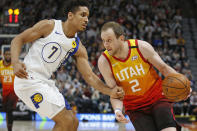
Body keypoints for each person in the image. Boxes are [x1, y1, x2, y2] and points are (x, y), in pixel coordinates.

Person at [10, 1, 124, 131]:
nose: (86, 19)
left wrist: (110, 92)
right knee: (66, 121)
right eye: (82, 15)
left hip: (45, 82)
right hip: (28, 79)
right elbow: (17, 39)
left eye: (88, 16)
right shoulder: (49, 26)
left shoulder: (78, 47)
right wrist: (15, 63)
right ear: (70, 15)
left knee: (73, 123)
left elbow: (90, 77)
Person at [98, 21, 186, 131]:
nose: (106, 45)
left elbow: (164, 68)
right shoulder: (104, 62)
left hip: (157, 98)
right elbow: (115, 92)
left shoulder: (140, 47)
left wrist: (184, 85)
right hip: (135, 108)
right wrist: (118, 110)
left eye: (109, 40)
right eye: (103, 41)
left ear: (121, 38)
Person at [0, 49, 18, 131]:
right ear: (3, 55)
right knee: (7, 111)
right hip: (3, 91)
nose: (8, 56)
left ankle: (9, 129)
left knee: (9, 111)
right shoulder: (0, 65)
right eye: (7, 54)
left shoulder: (15, 65)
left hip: (12, 92)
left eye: (10, 54)